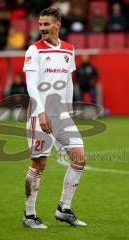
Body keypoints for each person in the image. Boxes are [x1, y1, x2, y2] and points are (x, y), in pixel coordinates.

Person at [23, 7, 87, 229]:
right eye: (40, 25)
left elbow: (68, 81)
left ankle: (64, 209)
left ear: (57, 25)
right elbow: (31, 85)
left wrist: (68, 110)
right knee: (39, 163)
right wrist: (40, 111)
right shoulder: (34, 50)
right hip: (38, 113)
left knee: (79, 158)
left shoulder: (69, 49)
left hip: (60, 114)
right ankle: (29, 215)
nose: (42, 28)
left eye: (46, 24)